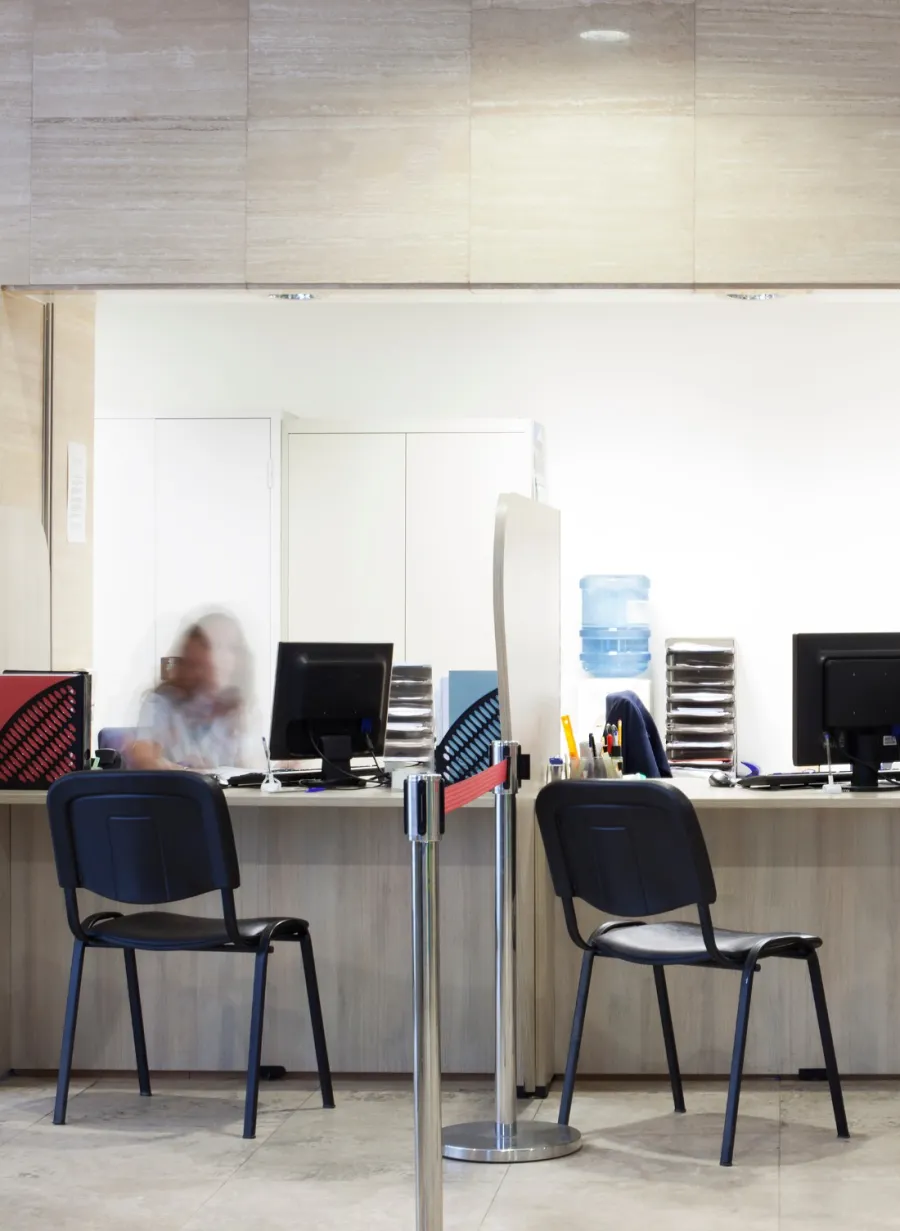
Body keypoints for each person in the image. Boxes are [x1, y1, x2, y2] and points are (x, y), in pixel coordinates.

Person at [130, 612, 252, 771]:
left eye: (230, 648)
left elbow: (248, 767)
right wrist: (193, 775)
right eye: (212, 646)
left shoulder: (235, 708)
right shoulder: (160, 703)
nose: (218, 658)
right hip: (181, 793)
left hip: (230, 795)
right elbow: (144, 759)